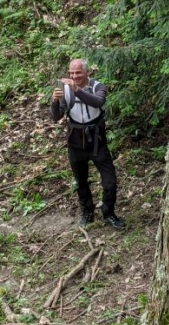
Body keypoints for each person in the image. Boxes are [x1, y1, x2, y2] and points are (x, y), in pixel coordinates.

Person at [50, 59, 126, 229]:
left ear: (87, 72)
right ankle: (87, 212)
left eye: (78, 72)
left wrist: (76, 90)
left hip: (97, 141)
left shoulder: (98, 86)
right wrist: (54, 102)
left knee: (110, 181)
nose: (74, 76)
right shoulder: (64, 89)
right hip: (75, 141)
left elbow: (98, 102)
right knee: (81, 180)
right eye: (71, 73)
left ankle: (108, 213)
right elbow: (56, 116)